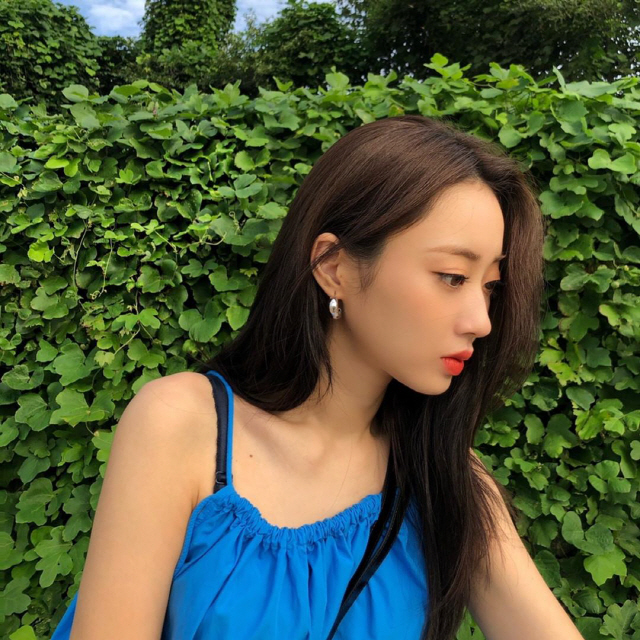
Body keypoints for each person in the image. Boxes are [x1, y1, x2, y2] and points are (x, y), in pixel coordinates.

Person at [50, 114, 584, 640]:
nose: (482, 321)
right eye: (452, 277)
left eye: (490, 285)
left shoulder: (444, 474)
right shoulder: (182, 427)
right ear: (334, 267)